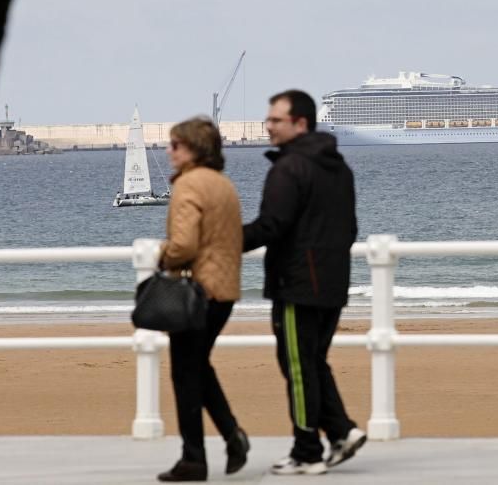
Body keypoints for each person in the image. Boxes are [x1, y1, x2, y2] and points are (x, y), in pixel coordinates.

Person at [243, 90, 366, 476]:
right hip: (333, 282)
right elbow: (350, 228)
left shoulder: (290, 168)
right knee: (312, 362)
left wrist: (220, 241)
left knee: (297, 365)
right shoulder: (338, 166)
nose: (268, 126)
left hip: (298, 285)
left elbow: (271, 225)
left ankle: (307, 450)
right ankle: (342, 431)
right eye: (269, 119)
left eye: (276, 120)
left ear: (300, 123)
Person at [156, 117, 250, 482]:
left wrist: (162, 255)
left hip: (198, 292)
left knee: (184, 372)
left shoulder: (189, 185)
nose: (169, 151)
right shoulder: (223, 184)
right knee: (197, 367)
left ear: (194, 149)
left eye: (175, 145)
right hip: (224, 291)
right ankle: (232, 437)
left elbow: (184, 245)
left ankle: (194, 457)